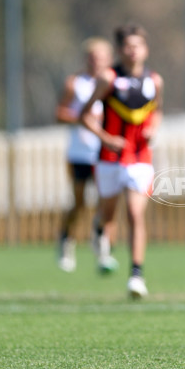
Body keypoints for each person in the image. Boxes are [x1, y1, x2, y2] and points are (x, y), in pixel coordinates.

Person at [80, 24, 163, 298]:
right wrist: (105, 138)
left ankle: (136, 275)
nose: (133, 50)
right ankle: (100, 228)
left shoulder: (155, 80)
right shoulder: (108, 78)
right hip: (110, 159)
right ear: (119, 50)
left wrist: (153, 128)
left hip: (140, 158)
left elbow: (158, 111)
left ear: (146, 49)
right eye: (128, 45)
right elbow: (84, 115)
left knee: (135, 213)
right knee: (108, 214)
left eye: (137, 45)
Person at [55, 37, 113, 273]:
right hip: (79, 153)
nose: (95, 62)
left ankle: (101, 246)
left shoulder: (113, 83)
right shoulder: (75, 83)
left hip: (104, 152)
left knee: (105, 203)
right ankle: (66, 239)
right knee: (79, 203)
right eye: (92, 58)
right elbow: (60, 114)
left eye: (100, 58)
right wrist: (84, 119)